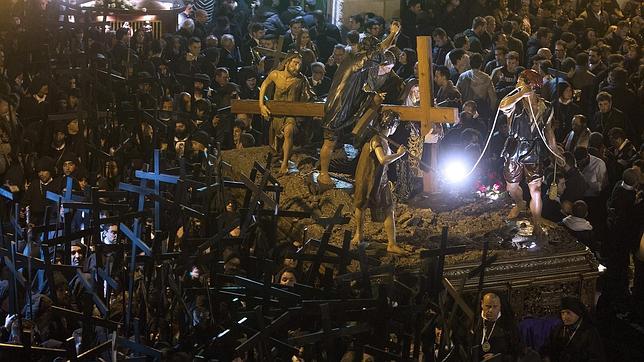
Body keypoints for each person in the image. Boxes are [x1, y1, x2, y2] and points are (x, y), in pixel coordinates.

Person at [318, 21, 400, 186]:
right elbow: (380, 51)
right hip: (339, 107)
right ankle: (323, 174)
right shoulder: (359, 60)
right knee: (329, 141)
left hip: (342, 105)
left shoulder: (354, 61)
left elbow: (359, 87)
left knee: (333, 140)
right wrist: (392, 34)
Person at [499, 69, 559, 239]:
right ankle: (519, 203)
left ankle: (537, 222)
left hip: (534, 149)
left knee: (536, 190)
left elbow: (548, 131)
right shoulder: (515, 105)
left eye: (521, 83)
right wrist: (520, 94)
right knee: (511, 186)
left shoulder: (545, 107)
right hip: (515, 148)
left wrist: (554, 151)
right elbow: (502, 105)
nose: (518, 86)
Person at [352, 110, 406, 254]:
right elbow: (382, 159)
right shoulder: (376, 139)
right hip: (367, 177)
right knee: (361, 205)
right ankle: (359, 234)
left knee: (389, 209)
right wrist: (399, 155)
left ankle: (391, 243)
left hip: (381, 179)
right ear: (392, 125)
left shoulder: (384, 140)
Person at [259, 52, 312, 174]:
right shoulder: (275, 75)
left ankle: (285, 164)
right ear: (287, 62)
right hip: (276, 113)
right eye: (295, 63)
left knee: (288, 132)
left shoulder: (301, 80)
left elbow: (309, 95)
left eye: (300, 64)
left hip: (291, 114)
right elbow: (264, 85)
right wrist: (261, 105)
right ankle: (277, 158)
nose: (297, 67)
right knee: (274, 140)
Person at [541, 297, 605, 361]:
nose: (565, 317)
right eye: (562, 313)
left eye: (568, 313)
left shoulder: (590, 332)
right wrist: (546, 357)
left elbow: (596, 358)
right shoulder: (558, 329)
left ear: (578, 312)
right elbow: (546, 349)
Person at [473, 292, 522, 361]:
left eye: (495, 306)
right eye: (488, 306)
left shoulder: (508, 326)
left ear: (500, 306)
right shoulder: (473, 324)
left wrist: (499, 358)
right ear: (482, 304)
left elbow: (516, 353)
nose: (491, 310)